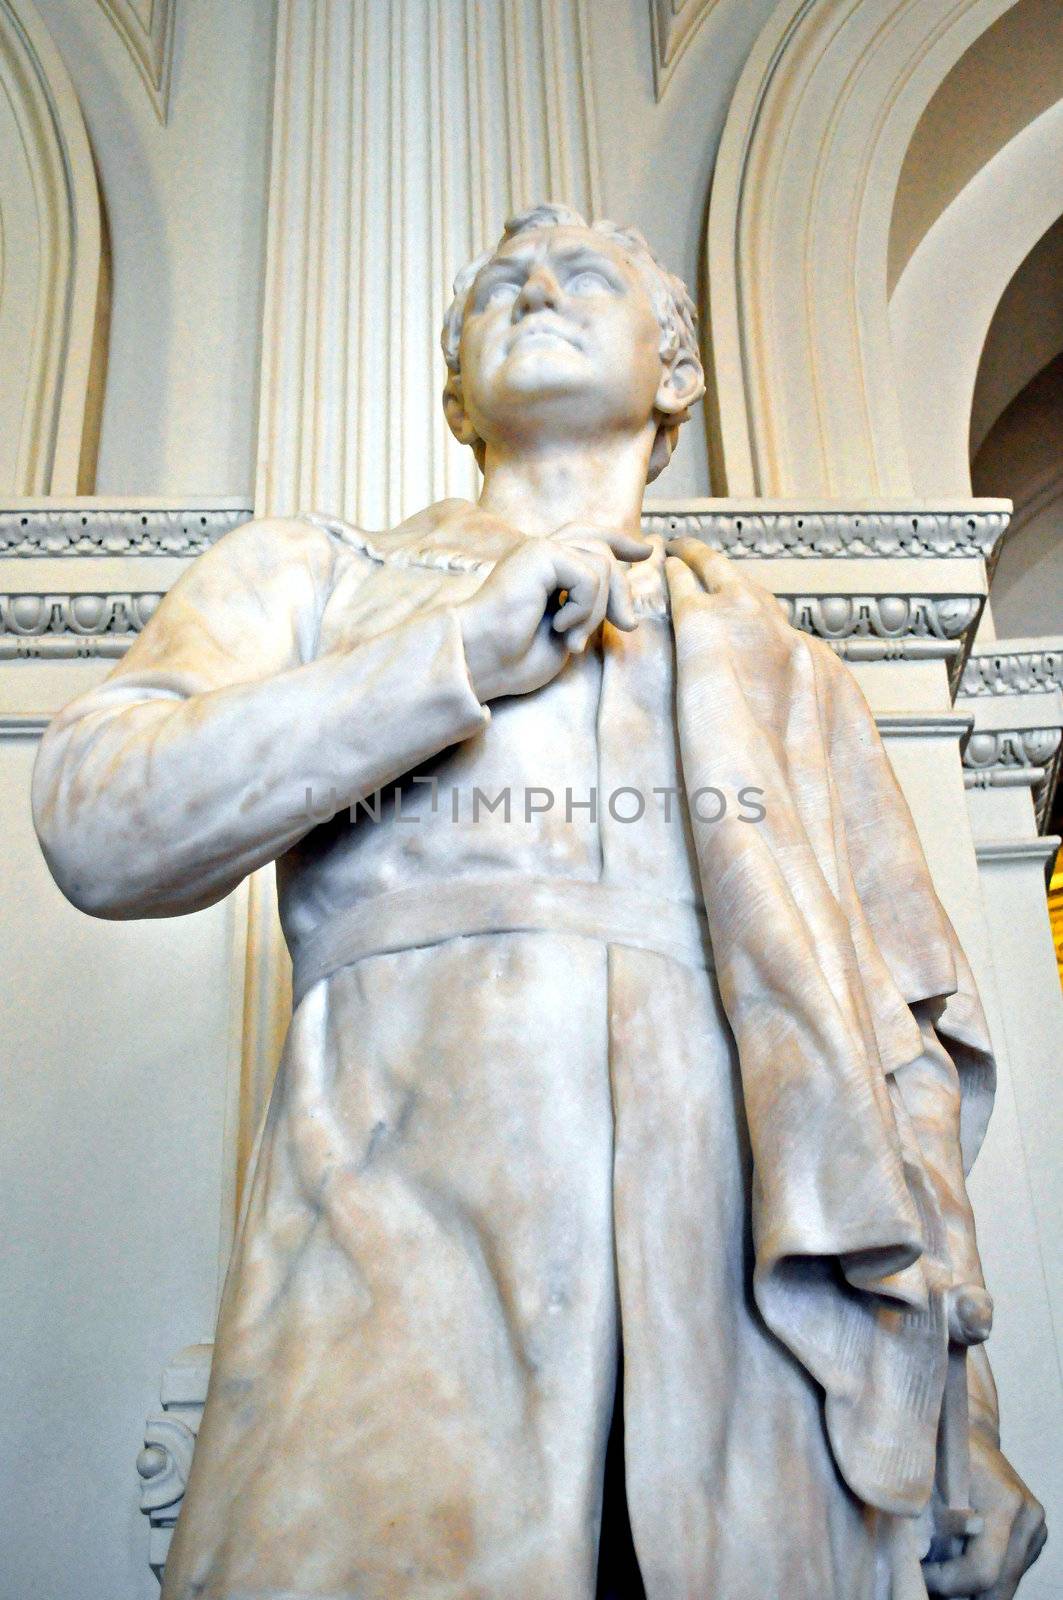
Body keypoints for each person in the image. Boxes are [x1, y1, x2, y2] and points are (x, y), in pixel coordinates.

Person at [33, 204, 1045, 1599]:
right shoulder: (316, 580)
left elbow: (896, 1061)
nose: (542, 283)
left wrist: (956, 1419)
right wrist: (453, 655)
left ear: (675, 377)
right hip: (389, 1314)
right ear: (453, 390)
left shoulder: (788, 673)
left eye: (590, 276)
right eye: (501, 281)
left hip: (753, 1365)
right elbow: (100, 820)